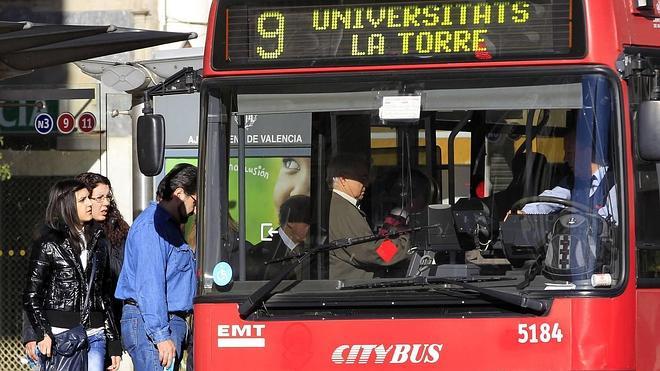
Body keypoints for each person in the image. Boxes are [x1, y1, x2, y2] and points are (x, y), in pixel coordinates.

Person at [23, 179, 121, 371]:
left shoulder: (99, 242)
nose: (90, 204)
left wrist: (113, 342)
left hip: (95, 334)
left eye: (88, 199)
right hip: (61, 336)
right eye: (83, 200)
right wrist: (42, 333)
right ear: (67, 204)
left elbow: (104, 295)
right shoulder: (49, 244)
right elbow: (32, 294)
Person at [115, 163, 197, 371]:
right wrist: (161, 335)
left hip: (161, 323)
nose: (195, 210)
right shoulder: (153, 227)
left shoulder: (167, 225)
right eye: (195, 202)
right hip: (153, 325)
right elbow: (150, 285)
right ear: (179, 193)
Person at [327, 153, 410, 279]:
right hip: (352, 291)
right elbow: (374, 252)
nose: (367, 183)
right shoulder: (344, 209)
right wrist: (404, 243)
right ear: (343, 180)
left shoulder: (339, 205)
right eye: (362, 178)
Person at [520, 127, 618, 224]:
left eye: (569, 153)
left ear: (586, 153)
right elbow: (549, 200)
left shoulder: (615, 184)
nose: (565, 158)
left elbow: (607, 224)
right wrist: (524, 213)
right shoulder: (571, 182)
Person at [249, 195, 311, 280]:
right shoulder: (261, 254)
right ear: (291, 222)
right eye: (308, 222)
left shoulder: (315, 249)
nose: (312, 227)